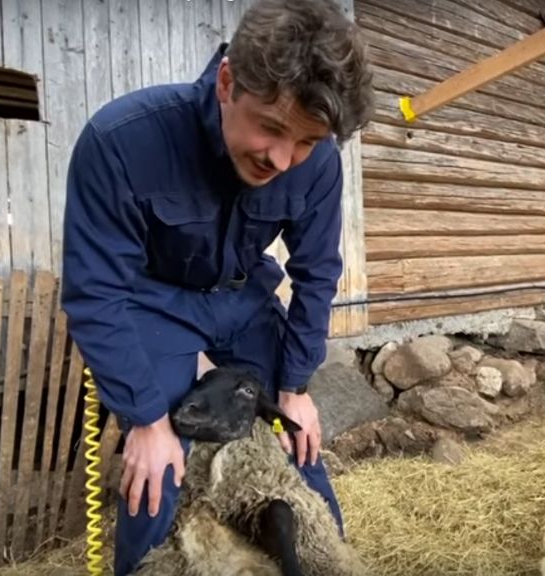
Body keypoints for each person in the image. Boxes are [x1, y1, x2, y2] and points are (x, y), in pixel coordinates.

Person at [59, 0, 375, 573]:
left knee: (297, 444)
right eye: (272, 128)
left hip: (243, 296)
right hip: (153, 301)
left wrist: (296, 385)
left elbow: (317, 272)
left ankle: (330, 563)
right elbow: (95, 293)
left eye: (304, 142)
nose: (283, 159)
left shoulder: (319, 162)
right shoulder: (121, 140)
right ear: (228, 81)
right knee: (157, 470)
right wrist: (147, 421)